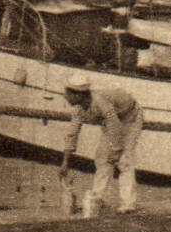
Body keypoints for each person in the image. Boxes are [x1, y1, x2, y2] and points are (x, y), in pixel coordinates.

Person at [59, 73, 145, 216]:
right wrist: (65, 162)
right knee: (102, 158)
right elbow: (72, 133)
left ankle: (128, 204)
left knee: (124, 160)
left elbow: (114, 123)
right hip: (112, 124)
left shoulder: (100, 101)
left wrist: (116, 149)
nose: (64, 96)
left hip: (130, 118)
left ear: (79, 95)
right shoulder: (78, 109)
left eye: (67, 93)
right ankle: (98, 199)